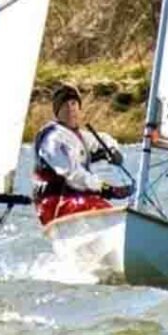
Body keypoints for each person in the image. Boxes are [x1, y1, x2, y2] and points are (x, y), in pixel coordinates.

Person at [32, 83, 133, 227]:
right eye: (64, 104)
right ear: (57, 111)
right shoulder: (52, 139)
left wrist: (113, 151)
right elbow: (73, 175)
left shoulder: (80, 136)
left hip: (77, 201)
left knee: (109, 213)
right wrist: (107, 189)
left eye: (73, 103)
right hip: (55, 205)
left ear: (79, 108)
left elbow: (104, 139)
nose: (70, 108)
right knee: (105, 213)